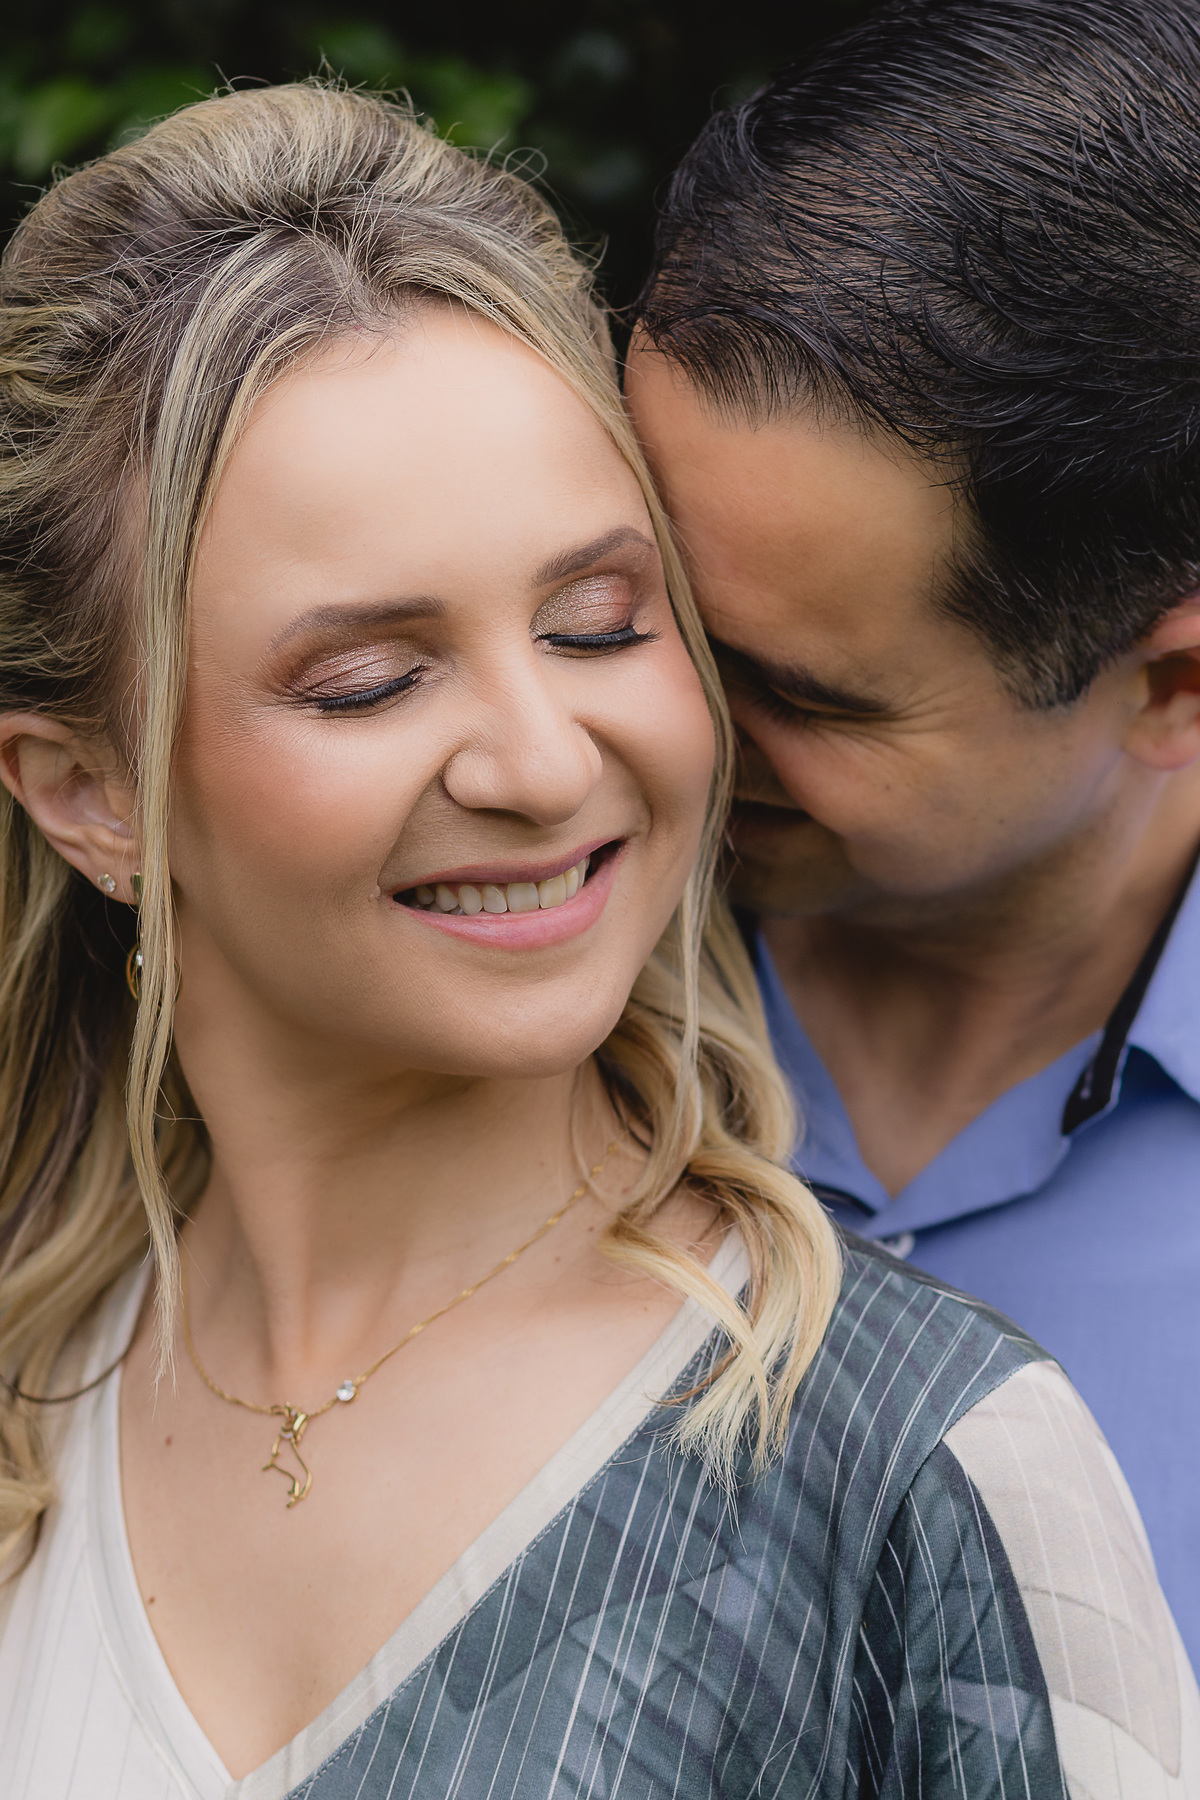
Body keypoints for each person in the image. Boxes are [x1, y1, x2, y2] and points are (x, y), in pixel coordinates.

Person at [0, 80, 1193, 1800]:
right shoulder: (40, 1396)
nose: (546, 762)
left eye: (598, 625)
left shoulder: (910, 1468)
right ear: (89, 794)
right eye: (370, 679)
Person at [628, 0, 1200, 1671]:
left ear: (1171, 685)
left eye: (800, 694)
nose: (664, 727)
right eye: (619, 609)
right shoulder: (466, 975)